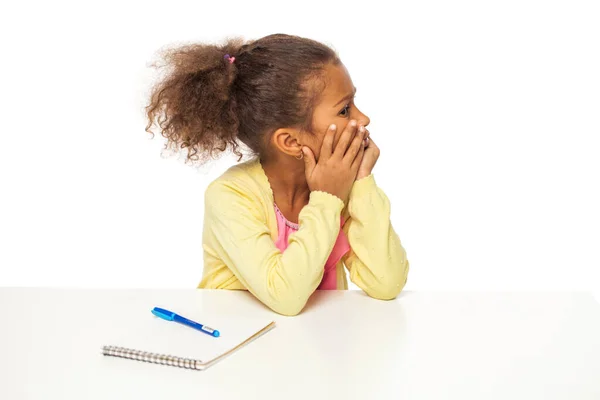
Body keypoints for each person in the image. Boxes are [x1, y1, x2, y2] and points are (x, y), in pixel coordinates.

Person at [145, 33, 409, 316]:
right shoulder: (231, 195)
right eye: (344, 110)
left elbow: (386, 283)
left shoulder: (341, 186)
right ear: (291, 142)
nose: (363, 119)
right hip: (240, 346)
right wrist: (327, 199)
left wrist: (361, 181)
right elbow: (286, 297)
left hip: (316, 349)